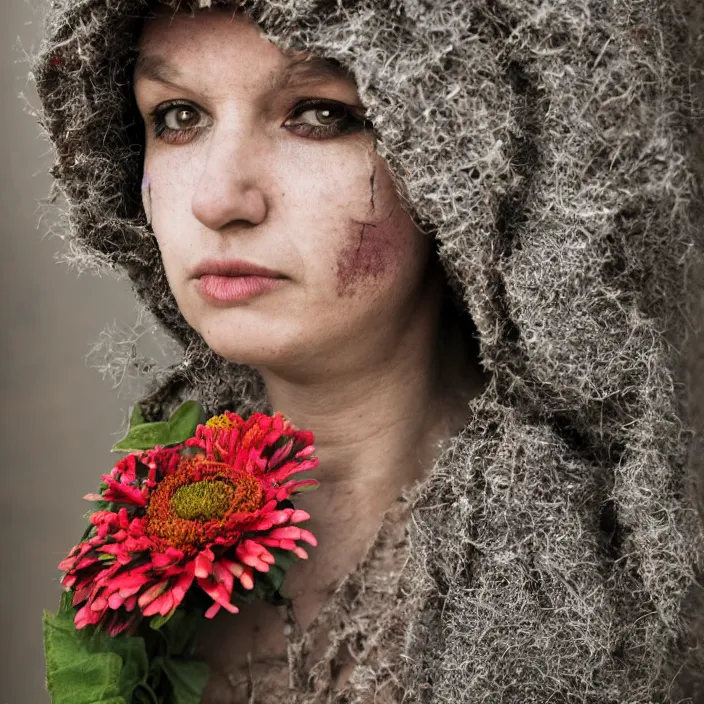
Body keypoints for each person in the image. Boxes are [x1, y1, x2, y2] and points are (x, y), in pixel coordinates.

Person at [33, 0, 704, 702]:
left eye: (320, 114)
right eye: (177, 116)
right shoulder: (148, 546)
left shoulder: (634, 573)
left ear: (457, 157)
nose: (218, 198)